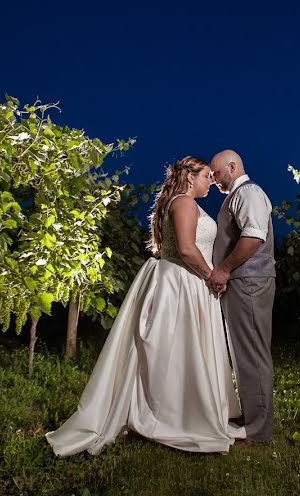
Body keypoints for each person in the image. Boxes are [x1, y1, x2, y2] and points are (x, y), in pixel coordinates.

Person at [46, 156, 245, 456]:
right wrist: (212, 277)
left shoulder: (182, 202)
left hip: (183, 280)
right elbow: (187, 249)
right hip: (182, 281)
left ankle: (184, 406)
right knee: (175, 348)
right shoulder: (184, 203)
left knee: (181, 348)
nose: (210, 181)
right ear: (190, 177)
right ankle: (173, 413)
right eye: (206, 175)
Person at [207, 150, 276, 443]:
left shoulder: (248, 193)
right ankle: (251, 419)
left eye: (216, 172)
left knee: (253, 354)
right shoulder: (237, 195)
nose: (213, 178)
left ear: (231, 167)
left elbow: (254, 236)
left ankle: (258, 431)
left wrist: (223, 269)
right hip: (243, 282)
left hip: (249, 281)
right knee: (244, 354)